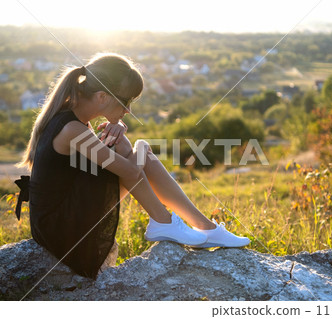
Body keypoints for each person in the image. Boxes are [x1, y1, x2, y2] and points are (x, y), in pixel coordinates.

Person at [16, 53, 250, 279]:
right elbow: (129, 171)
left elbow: (119, 165)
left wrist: (126, 141)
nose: (128, 110)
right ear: (101, 97)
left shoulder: (74, 121)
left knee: (131, 153)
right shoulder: (73, 130)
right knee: (138, 155)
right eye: (126, 101)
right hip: (63, 229)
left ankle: (197, 226)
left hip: (66, 214)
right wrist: (141, 144)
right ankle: (169, 222)